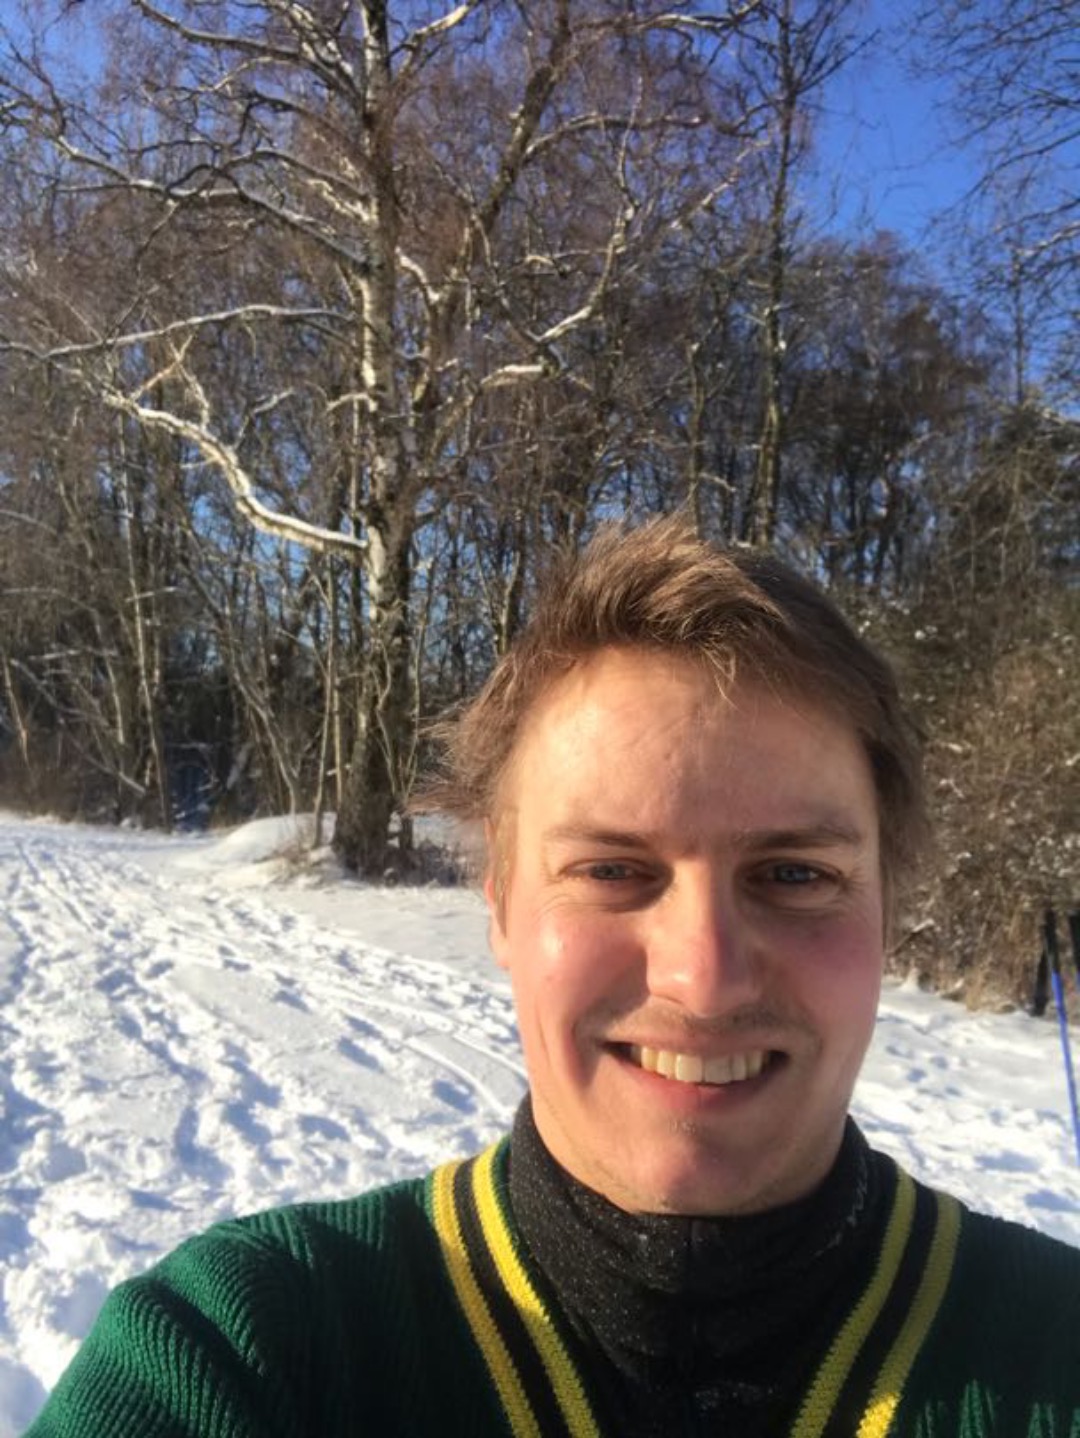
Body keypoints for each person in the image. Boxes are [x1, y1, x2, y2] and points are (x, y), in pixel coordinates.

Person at [27, 516, 1080, 1437]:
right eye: (613, 870)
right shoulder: (241, 1347)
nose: (704, 978)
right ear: (499, 901)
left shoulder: (1054, 1351)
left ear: (887, 907)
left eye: (796, 873)